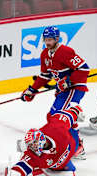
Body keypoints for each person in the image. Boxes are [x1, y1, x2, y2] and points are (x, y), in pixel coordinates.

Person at [20, 26, 89, 160]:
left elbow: (84, 69)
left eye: (50, 39)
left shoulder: (65, 51)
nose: (48, 42)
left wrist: (69, 80)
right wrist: (32, 89)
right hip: (63, 91)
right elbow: (45, 76)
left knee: (60, 117)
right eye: (46, 39)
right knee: (53, 116)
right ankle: (74, 145)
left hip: (74, 89)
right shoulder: (44, 54)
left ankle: (77, 147)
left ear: (57, 39)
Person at [0, 103, 83, 176]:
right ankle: (39, 167)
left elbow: (67, 115)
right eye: (30, 145)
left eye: (33, 144)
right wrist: (15, 174)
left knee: (54, 118)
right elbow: (23, 165)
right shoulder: (33, 154)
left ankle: (80, 145)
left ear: (41, 139)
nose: (32, 147)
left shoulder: (56, 129)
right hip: (58, 167)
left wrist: (75, 110)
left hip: (73, 143)